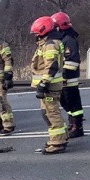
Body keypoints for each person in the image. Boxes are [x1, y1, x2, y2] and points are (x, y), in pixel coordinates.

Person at [30, 16, 68, 155]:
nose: (35, 35)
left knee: (51, 113)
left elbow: (51, 66)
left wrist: (43, 84)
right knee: (48, 113)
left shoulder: (50, 44)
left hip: (49, 86)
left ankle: (58, 142)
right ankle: (61, 136)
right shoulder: (47, 43)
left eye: (36, 33)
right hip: (50, 85)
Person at [52, 11, 84, 138]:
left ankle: (77, 127)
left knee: (73, 103)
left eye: (55, 27)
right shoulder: (62, 39)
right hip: (63, 78)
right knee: (65, 102)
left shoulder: (69, 40)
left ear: (60, 26)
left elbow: (72, 62)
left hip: (69, 79)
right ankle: (72, 123)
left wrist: (62, 75)